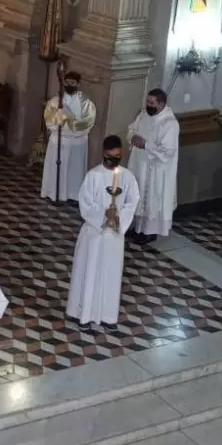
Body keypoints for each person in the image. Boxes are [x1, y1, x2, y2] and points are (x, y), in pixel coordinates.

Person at [66, 135, 139, 331]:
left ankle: (107, 315)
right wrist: (103, 214)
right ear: (104, 153)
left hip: (114, 236)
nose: (114, 160)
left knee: (110, 275)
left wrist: (119, 217)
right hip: (94, 234)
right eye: (110, 156)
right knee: (89, 272)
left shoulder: (128, 177)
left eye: (118, 156)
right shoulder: (93, 176)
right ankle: (83, 314)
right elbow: (85, 204)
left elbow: (132, 202)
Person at [126, 88, 179, 244]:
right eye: (147, 102)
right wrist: (133, 137)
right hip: (139, 164)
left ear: (161, 104)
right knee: (138, 195)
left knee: (151, 199)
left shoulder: (170, 123)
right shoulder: (143, 115)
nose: (148, 105)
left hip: (156, 170)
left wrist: (146, 145)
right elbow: (132, 129)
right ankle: (138, 228)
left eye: (151, 103)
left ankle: (149, 232)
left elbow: (168, 150)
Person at [41, 71, 97, 202]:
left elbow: (88, 122)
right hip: (59, 140)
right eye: (67, 82)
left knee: (74, 171)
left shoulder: (87, 104)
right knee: (56, 170)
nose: (69, 85)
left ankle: (73, 195)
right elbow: (49, 121)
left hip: (77, 142)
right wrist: (63, 119)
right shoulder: (55, 102)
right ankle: (53, 193)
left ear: (78, 84)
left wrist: (69, 121)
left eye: (72, 83)